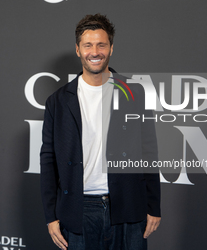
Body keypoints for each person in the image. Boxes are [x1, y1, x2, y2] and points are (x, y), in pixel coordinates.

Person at [40, 14, 161, 250]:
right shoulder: (57, 102)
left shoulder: (134, 93)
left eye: (101, 44)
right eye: (88, 45)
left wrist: (153, 206)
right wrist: (50, 216)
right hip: (78, 210)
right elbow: (49, 160)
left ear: (111, 48)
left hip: (128, 207)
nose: (95, 51)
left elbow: (149, 152)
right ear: (78, 50)